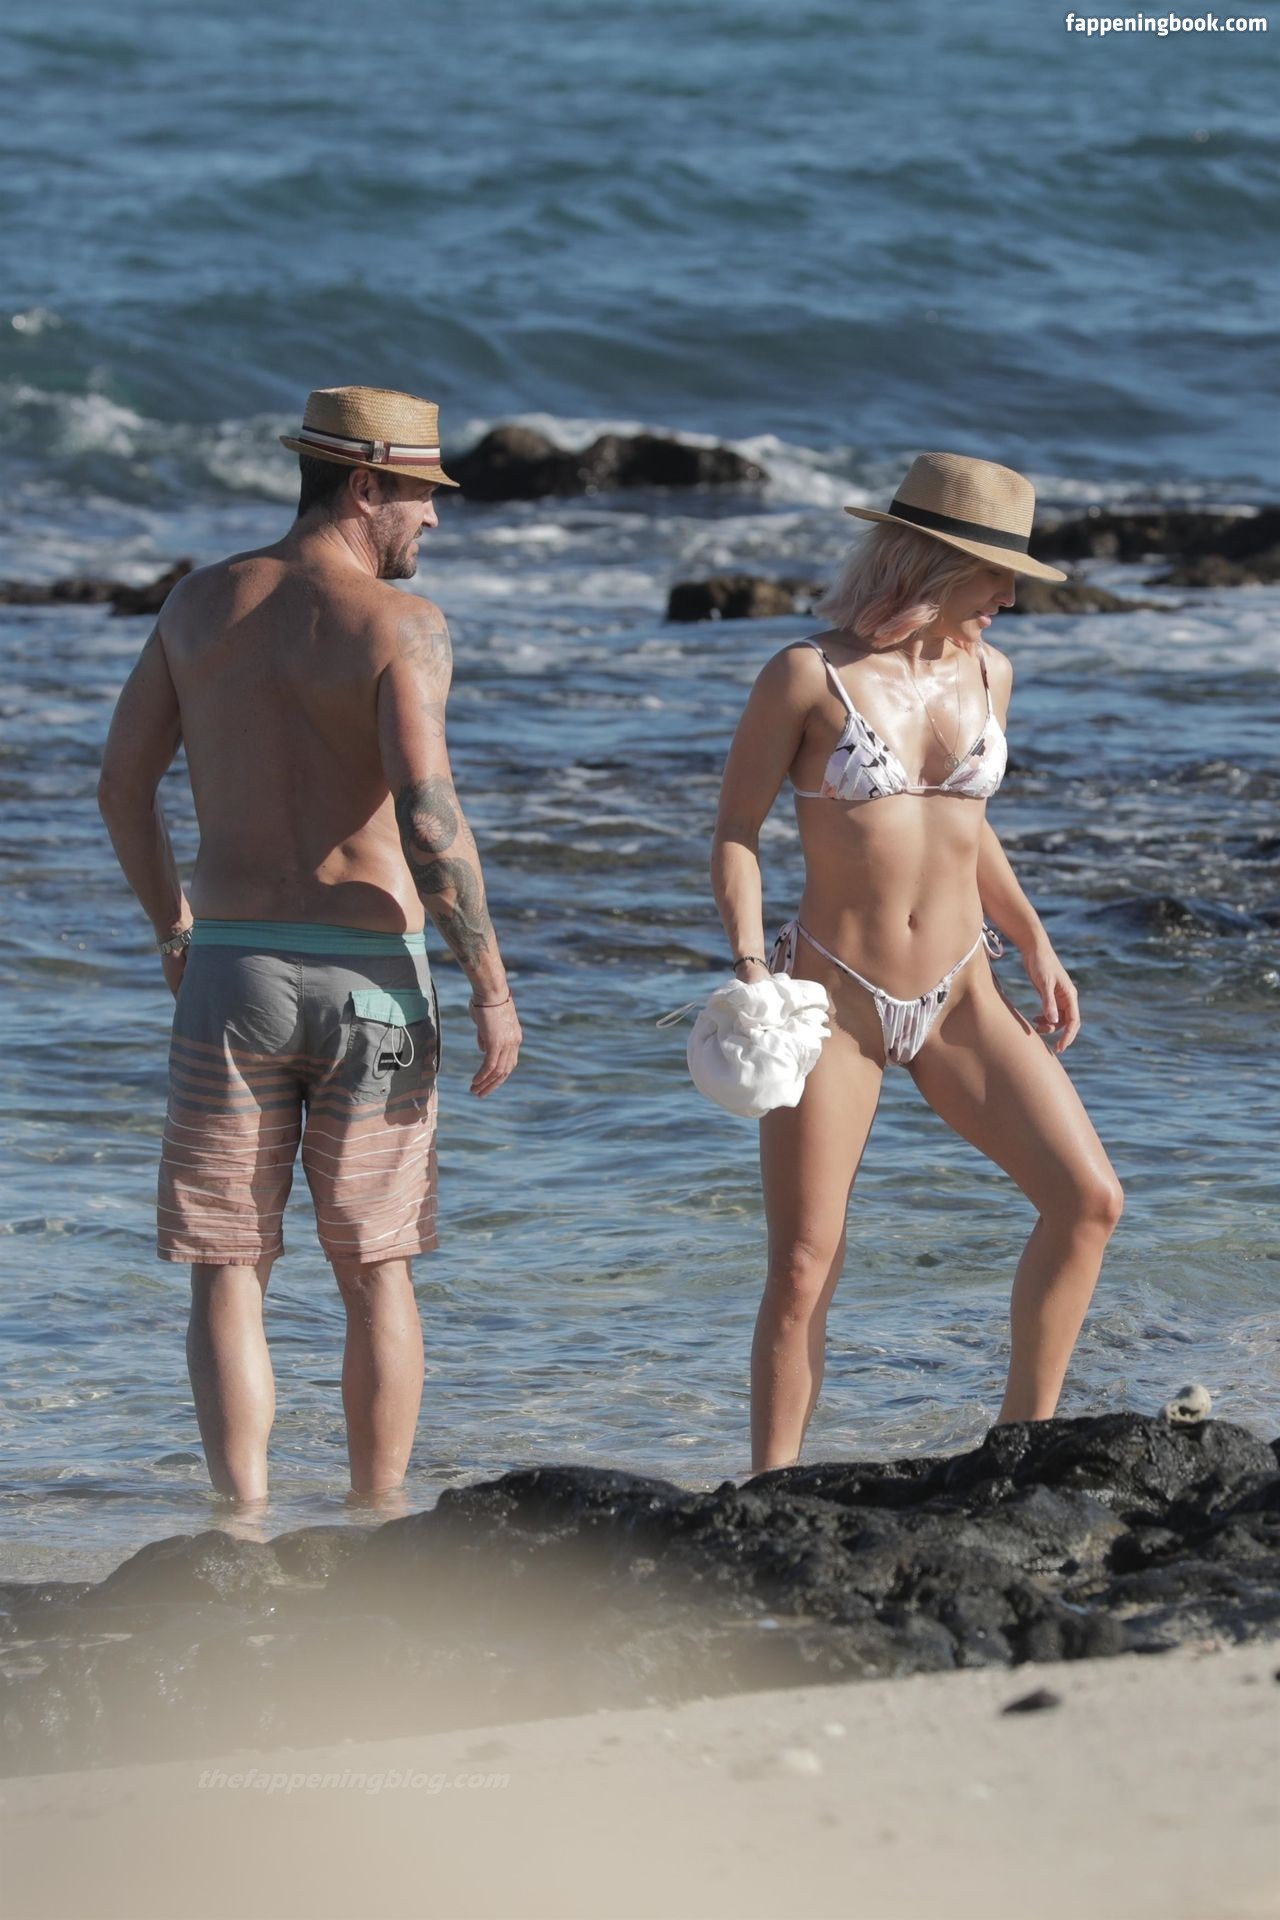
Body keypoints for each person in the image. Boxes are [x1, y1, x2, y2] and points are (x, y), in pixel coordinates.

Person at [97, 385, 522, 1508]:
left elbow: (122, 787)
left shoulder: (199, 604)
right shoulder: (400, 626)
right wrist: (490, 985)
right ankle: (377, 1520)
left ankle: (238, 1523)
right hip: (374, 982)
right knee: (376, 1265)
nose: (433, 518)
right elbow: (428, 817)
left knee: (228, 1264)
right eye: (422, 495)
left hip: (232, 974)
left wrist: (173, 927)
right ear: (366, 486)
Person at [711, 451, 1124, 1472]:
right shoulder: (807, 673)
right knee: (803, 1263)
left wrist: (1035, 940)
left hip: (960, 991)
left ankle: (1017, 1453)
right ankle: (768, 1491)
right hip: (832, 1000)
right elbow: (734, 832)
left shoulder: (990, 673)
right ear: (931, 563)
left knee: (1087, 1200)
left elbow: (961, 823)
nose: (1007, 600)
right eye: (995, 578)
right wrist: (750, 965)